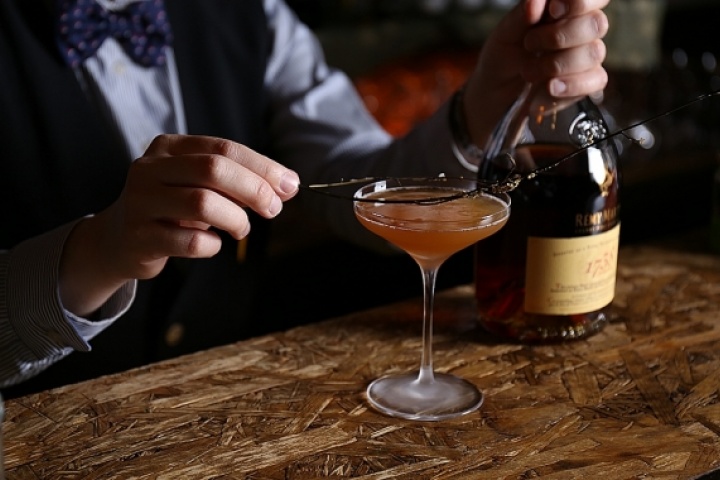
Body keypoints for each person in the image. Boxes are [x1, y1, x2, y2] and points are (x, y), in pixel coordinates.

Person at [0, 0, 610, 394]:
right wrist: (99, 251)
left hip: (231, 407)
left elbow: (361, 176)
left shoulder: (255, 14)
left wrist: (484, 104)